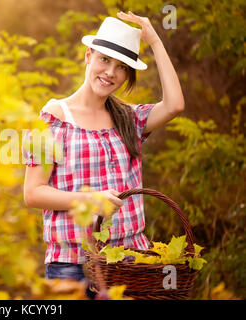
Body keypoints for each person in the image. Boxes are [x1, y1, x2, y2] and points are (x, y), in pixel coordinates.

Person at [22, 12, 185, 296]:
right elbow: (33, 193)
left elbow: (174, 106)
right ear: (88, 56)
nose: (110, 72)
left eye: (121, 67)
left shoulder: (129, 119)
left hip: (130, 261)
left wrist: (156, 41)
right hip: (73, 264)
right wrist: (89, 199)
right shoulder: (52, 119)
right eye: (104, 60)